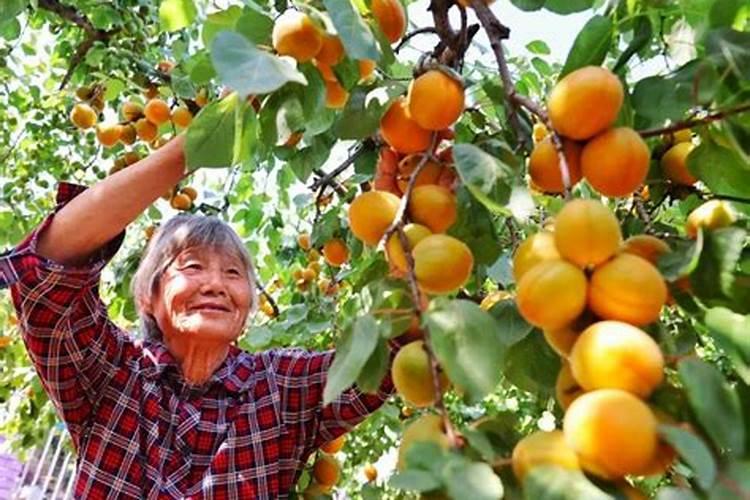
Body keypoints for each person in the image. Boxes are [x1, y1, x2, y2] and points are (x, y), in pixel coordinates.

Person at [0, 135, 403, 499]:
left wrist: (404, 237)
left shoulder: (280, 389)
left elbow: (391, 356)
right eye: (192, 267)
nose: (215, 284)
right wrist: (200, 142)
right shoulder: (112, 374)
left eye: (232, 273)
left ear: (247, 305)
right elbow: (48, 265)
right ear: (149, 296)